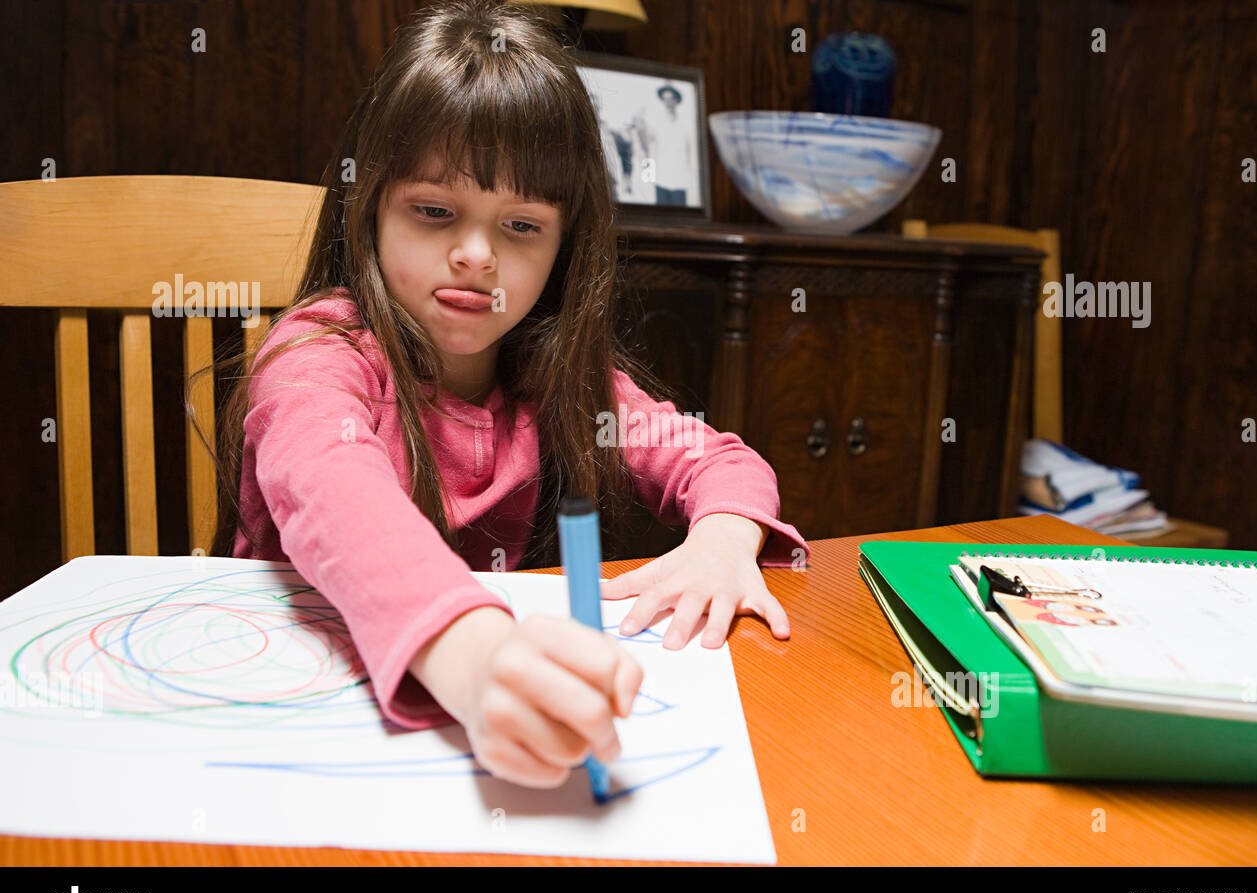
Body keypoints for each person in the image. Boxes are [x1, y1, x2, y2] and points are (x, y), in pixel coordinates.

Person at [191, 0, 807, 791]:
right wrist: (476, 652)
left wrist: (723, 541)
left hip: (473, 736)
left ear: (564, 244)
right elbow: (333, 488)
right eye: (435, 212)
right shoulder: (320, 354)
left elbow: (715, 458)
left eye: (521, 227)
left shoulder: (553, 380)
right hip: (295, 729)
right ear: (371, 203)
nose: (475, 255)